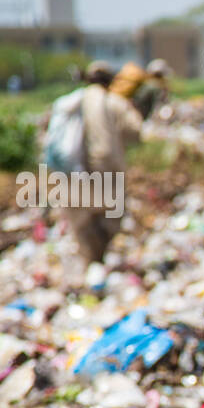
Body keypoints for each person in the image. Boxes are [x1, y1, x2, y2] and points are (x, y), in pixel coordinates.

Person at [67, 60, 142, 267]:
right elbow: (135, 131)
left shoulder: (72, 101)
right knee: (111, 213)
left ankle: (90, 261)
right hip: (106, 163)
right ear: (109, 80)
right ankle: (103, 260)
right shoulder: (114, 102)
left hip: (73, 166)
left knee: (84, 214)